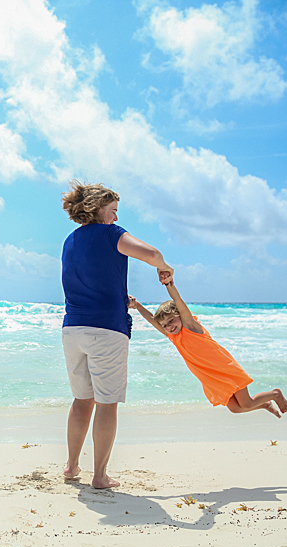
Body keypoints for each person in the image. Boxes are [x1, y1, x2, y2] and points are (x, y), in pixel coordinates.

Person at [60, 181, 174, 489]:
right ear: (97, 210)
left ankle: (71, 467)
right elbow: (152, 253)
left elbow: (91, 278)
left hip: (72, 328)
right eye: (113, 212)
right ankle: (99, 475)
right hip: (106, 329)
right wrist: (165, 269)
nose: (115, 218)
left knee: (82, 400)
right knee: (106, 403)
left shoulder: (69, 241)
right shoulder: (111, 234)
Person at [129, 280, 287, 418]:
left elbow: (178, 300)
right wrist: (137, 306)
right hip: (211, 377)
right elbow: (153, 321)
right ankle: (264, 405)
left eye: (171, 321)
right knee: (234, 408)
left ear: (181, 315)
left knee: (246, 404)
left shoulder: (191, 327)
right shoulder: (174, 337)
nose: (169, 327)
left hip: (225, 369)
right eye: (165, 326)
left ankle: (275, 394)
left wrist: (169, 285)